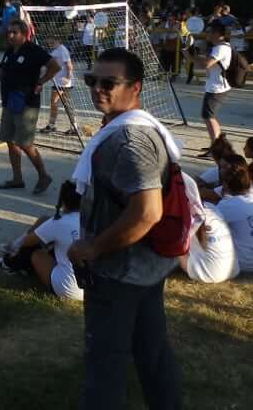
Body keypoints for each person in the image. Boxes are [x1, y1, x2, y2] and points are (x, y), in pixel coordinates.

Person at [66, 48, 182, 409]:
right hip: (145, 267)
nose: (97, 88)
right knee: (152, 351)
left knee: (106, 362)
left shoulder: (129, 141)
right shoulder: (135, 127)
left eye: (108, 83)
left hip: (120, 272)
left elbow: (147, 212)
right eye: (92, 80)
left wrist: (95, 248)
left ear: (135, 87)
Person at [0, 20, 59, 195]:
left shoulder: (33, 50)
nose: (10, 35)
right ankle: (17, 178)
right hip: (9, 101)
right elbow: (0, 72)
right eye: (9, 32)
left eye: (14, 33)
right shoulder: (10, 51)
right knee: (9, 140)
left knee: (25, 143)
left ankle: (44, 175)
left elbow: (55, 66)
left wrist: (42, 81)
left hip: (27, 103)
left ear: (24, 34)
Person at [0, 181, 84, 300]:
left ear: (63, 201)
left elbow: (27, 242)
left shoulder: (59, 222)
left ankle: (8, 264)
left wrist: (40, 242)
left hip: (69, 289)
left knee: (35, 253)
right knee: (44, 222)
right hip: (88, 287)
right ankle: (14, 250)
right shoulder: (90, 220)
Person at [178, 199, 239, 284]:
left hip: (210, 274)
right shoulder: (212, 207)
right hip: (232, 270)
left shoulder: (183, 213)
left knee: (174, 244)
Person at [197, 21, 232, 159]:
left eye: (210, 31)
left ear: (217, 33)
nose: (208, 34)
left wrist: (193, 56)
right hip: (216, 86)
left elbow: (206, 64)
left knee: (208, 117)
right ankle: (217, 144)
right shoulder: (221, 46)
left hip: (217, 88)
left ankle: (216, 150)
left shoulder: (220, 48)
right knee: (209, 117)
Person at [41, 35, 75, 135]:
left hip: (62, 82)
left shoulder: (62, 50)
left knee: (55, 103)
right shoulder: (56, 49)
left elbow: (69, 65)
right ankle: (74, 127)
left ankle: (51, 125)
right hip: (58, 81)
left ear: (57, 40)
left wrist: (68, 78)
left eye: (51, 39)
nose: (48, 41)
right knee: (66, 104)